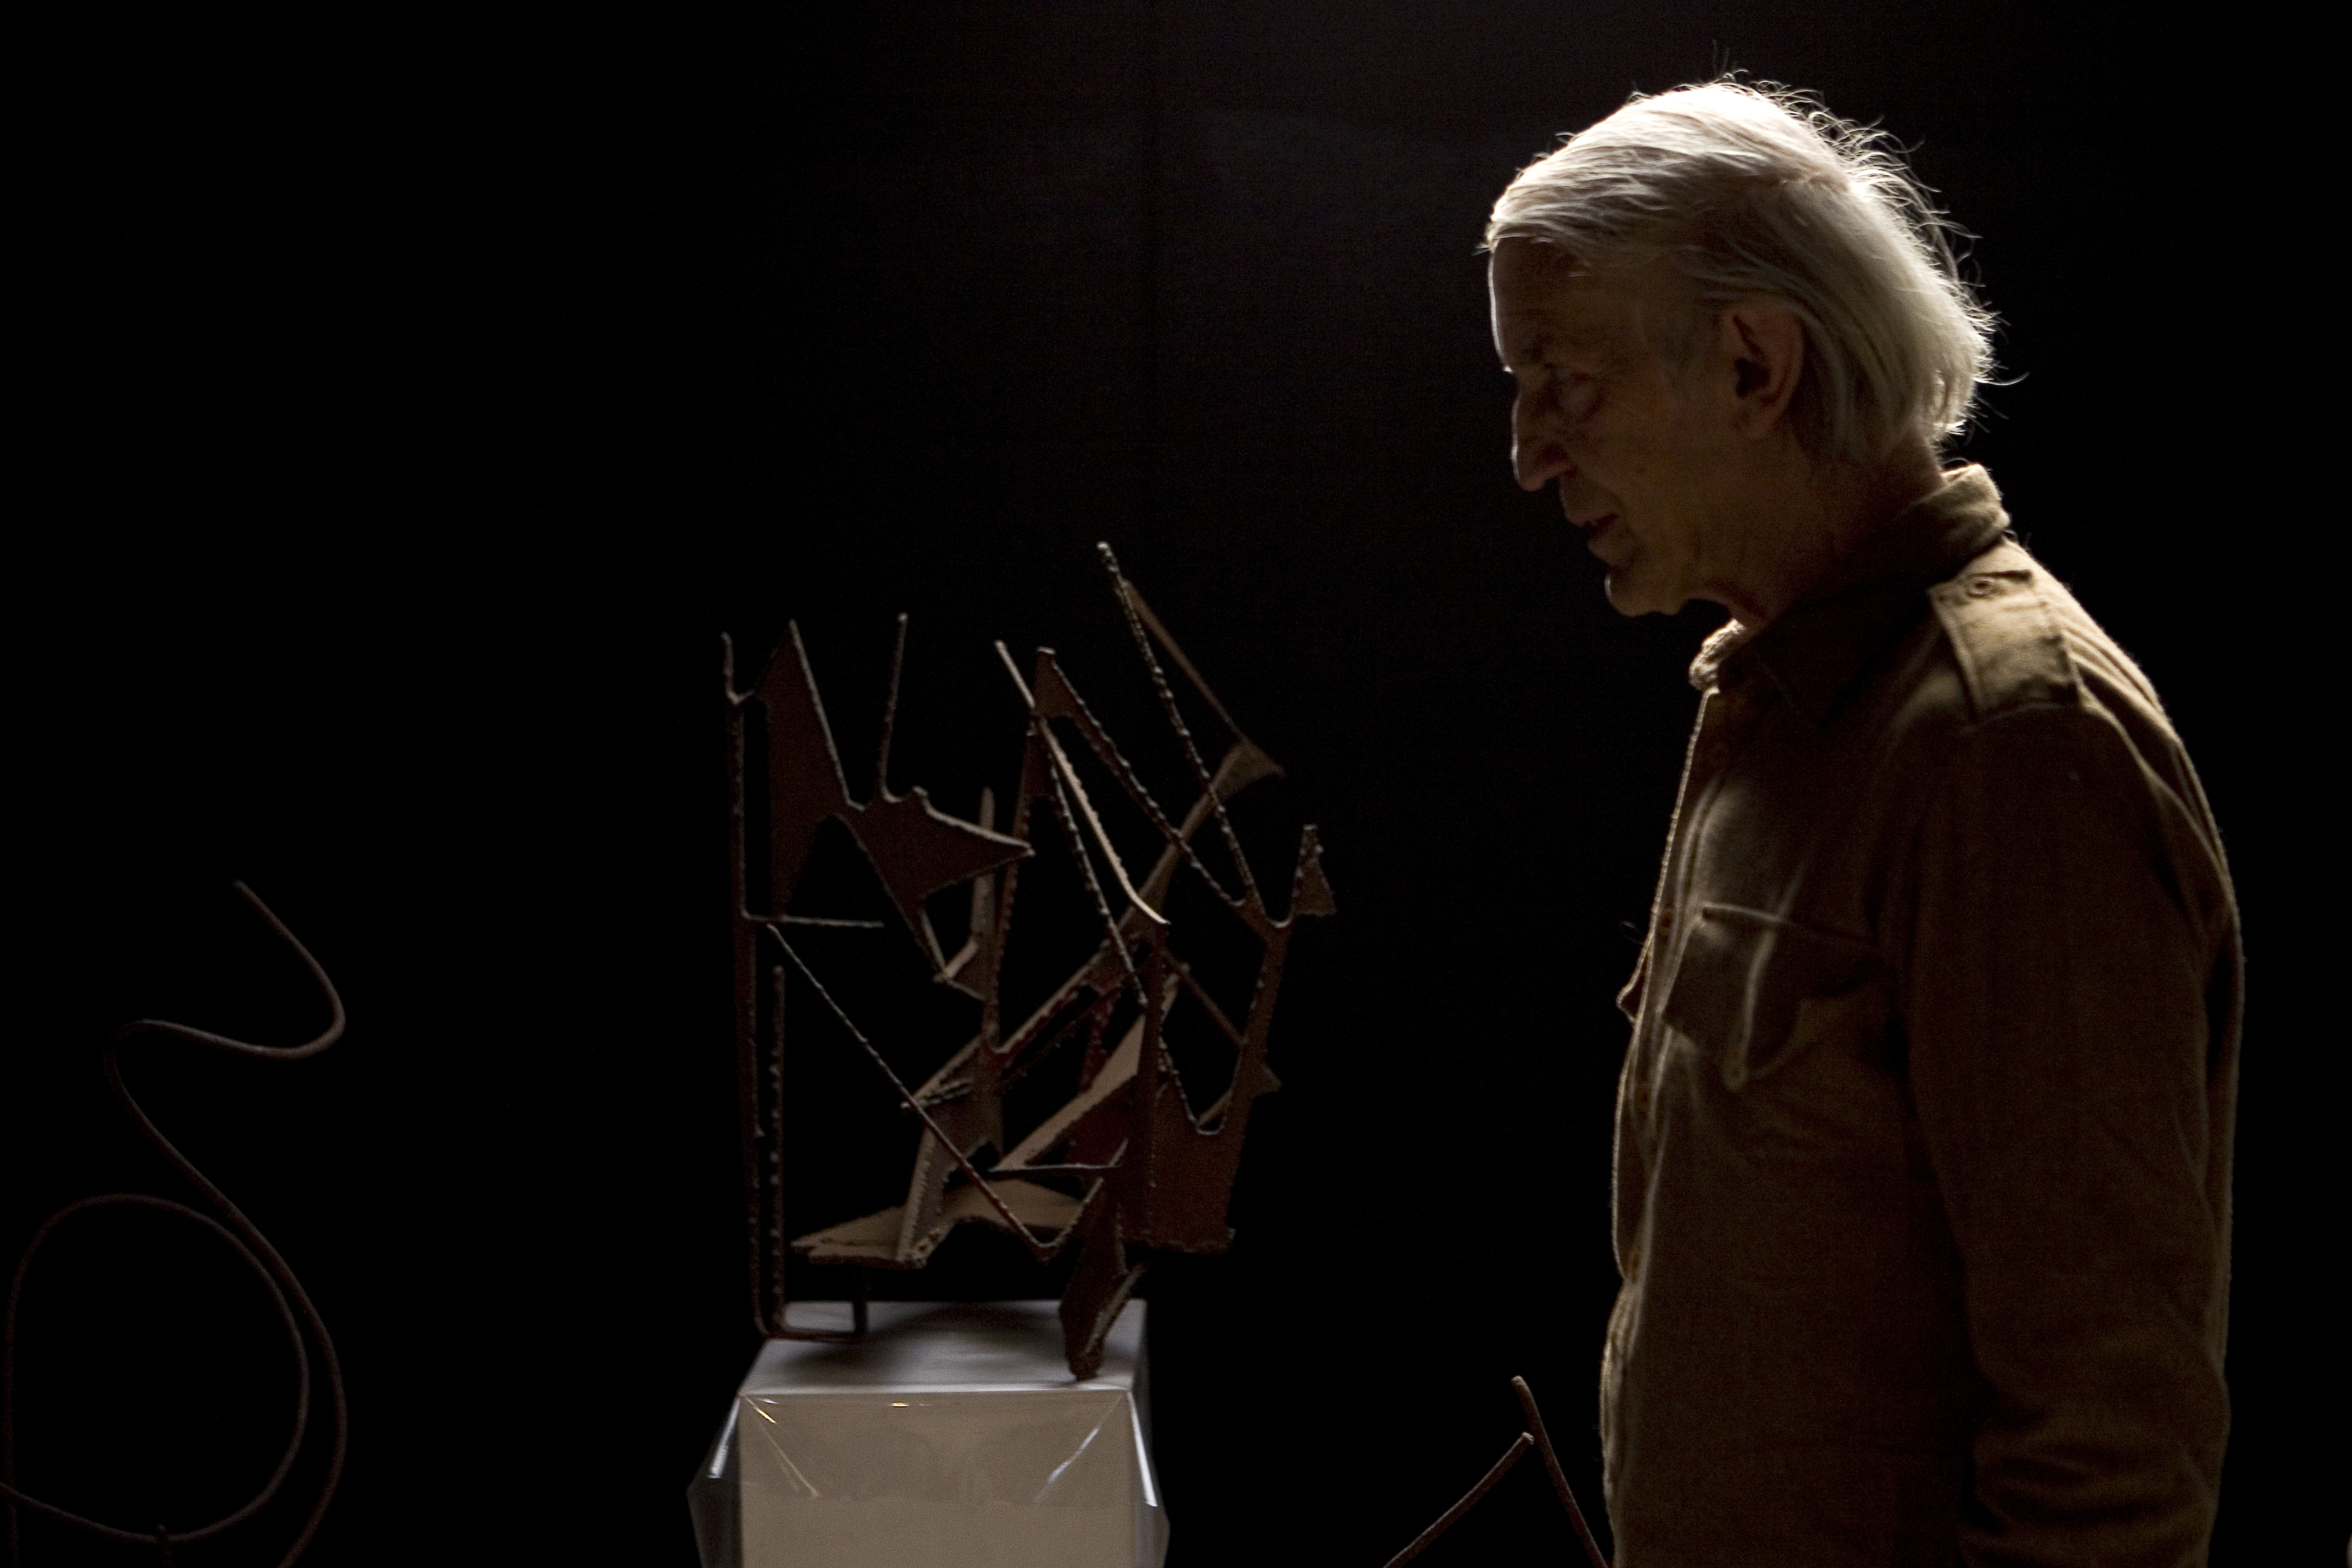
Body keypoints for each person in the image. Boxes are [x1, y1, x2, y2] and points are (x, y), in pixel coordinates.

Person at [1484, 83, 2239, 1566]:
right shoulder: (1784, 700)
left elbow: (2108, 1461)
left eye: (1562, 382)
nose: (1527, 454)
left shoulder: (2006, 742)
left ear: (1753, 363)